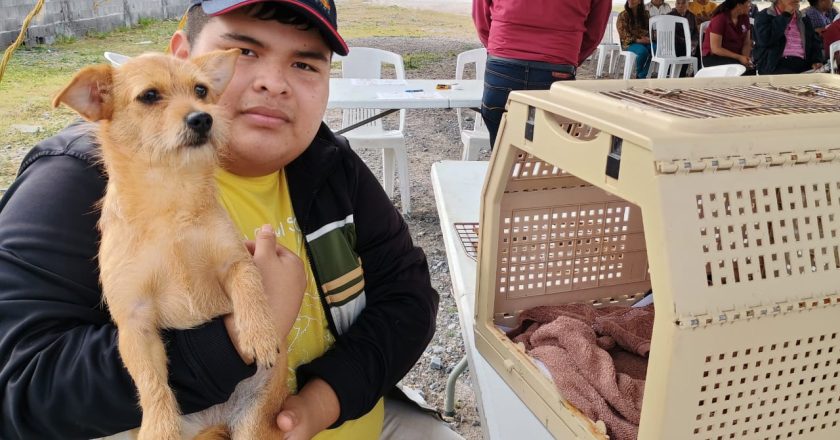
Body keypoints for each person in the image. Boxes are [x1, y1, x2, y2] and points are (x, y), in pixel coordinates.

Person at [0, 1, 458, 439]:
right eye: (247, 52)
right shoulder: (75, 181)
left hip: (345, 418)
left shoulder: (329, 162)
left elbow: (410, 297)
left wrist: (321, 403)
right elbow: (17, 385)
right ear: (181, 56)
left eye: (305, 64)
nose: (274, 83)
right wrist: (234, 339)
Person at [473, 0, 613, 147]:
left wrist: (498, 50)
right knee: (549, 150)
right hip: (557, 66)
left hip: (502, 65)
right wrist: (569, 59)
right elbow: (594, 31)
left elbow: (481, 19)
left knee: (501, 150)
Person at [754, 0, 826, 73]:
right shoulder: (764, 16)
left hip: (802, 64)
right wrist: (785, 15)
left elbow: (814, 42)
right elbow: (765, 39)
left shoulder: (803, 17)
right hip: (775, 65)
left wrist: (816, 60)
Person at [700, 0, 756, 74]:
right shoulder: (720, 19)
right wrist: (739, 57)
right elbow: (716, 49)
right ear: (738, 5)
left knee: (751, 70)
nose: (750, 5)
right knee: (739, 68)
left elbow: (746, 43)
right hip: (714, 57)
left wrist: (745, 58)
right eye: (748, 2)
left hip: (735, 57)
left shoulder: (745, 18)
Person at [618, 0, 654, 78]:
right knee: (643, 52)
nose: (630, 0)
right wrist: (638, 40)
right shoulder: (623, 15)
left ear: (639, 2)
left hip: (644, 41)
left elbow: (650, 29)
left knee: (656, 49)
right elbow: (623, 34)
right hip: (629, 43)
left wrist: (649, 38)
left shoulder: (645, 14)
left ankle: (642, 74)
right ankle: (640, 75)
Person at [669, 0, 700, 75]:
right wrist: (686, 42)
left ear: (687, 4)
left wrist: (693, 43)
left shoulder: (691, 16)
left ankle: (697, 73)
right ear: (675, 4)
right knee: (683, 48)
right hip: (675, 43)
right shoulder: (669, 15)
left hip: (690, 43)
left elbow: (696, 33)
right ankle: (679, 74)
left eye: (683, 3)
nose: (680, 5)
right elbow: (671, 34)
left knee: (700, 48)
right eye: (678, 3)